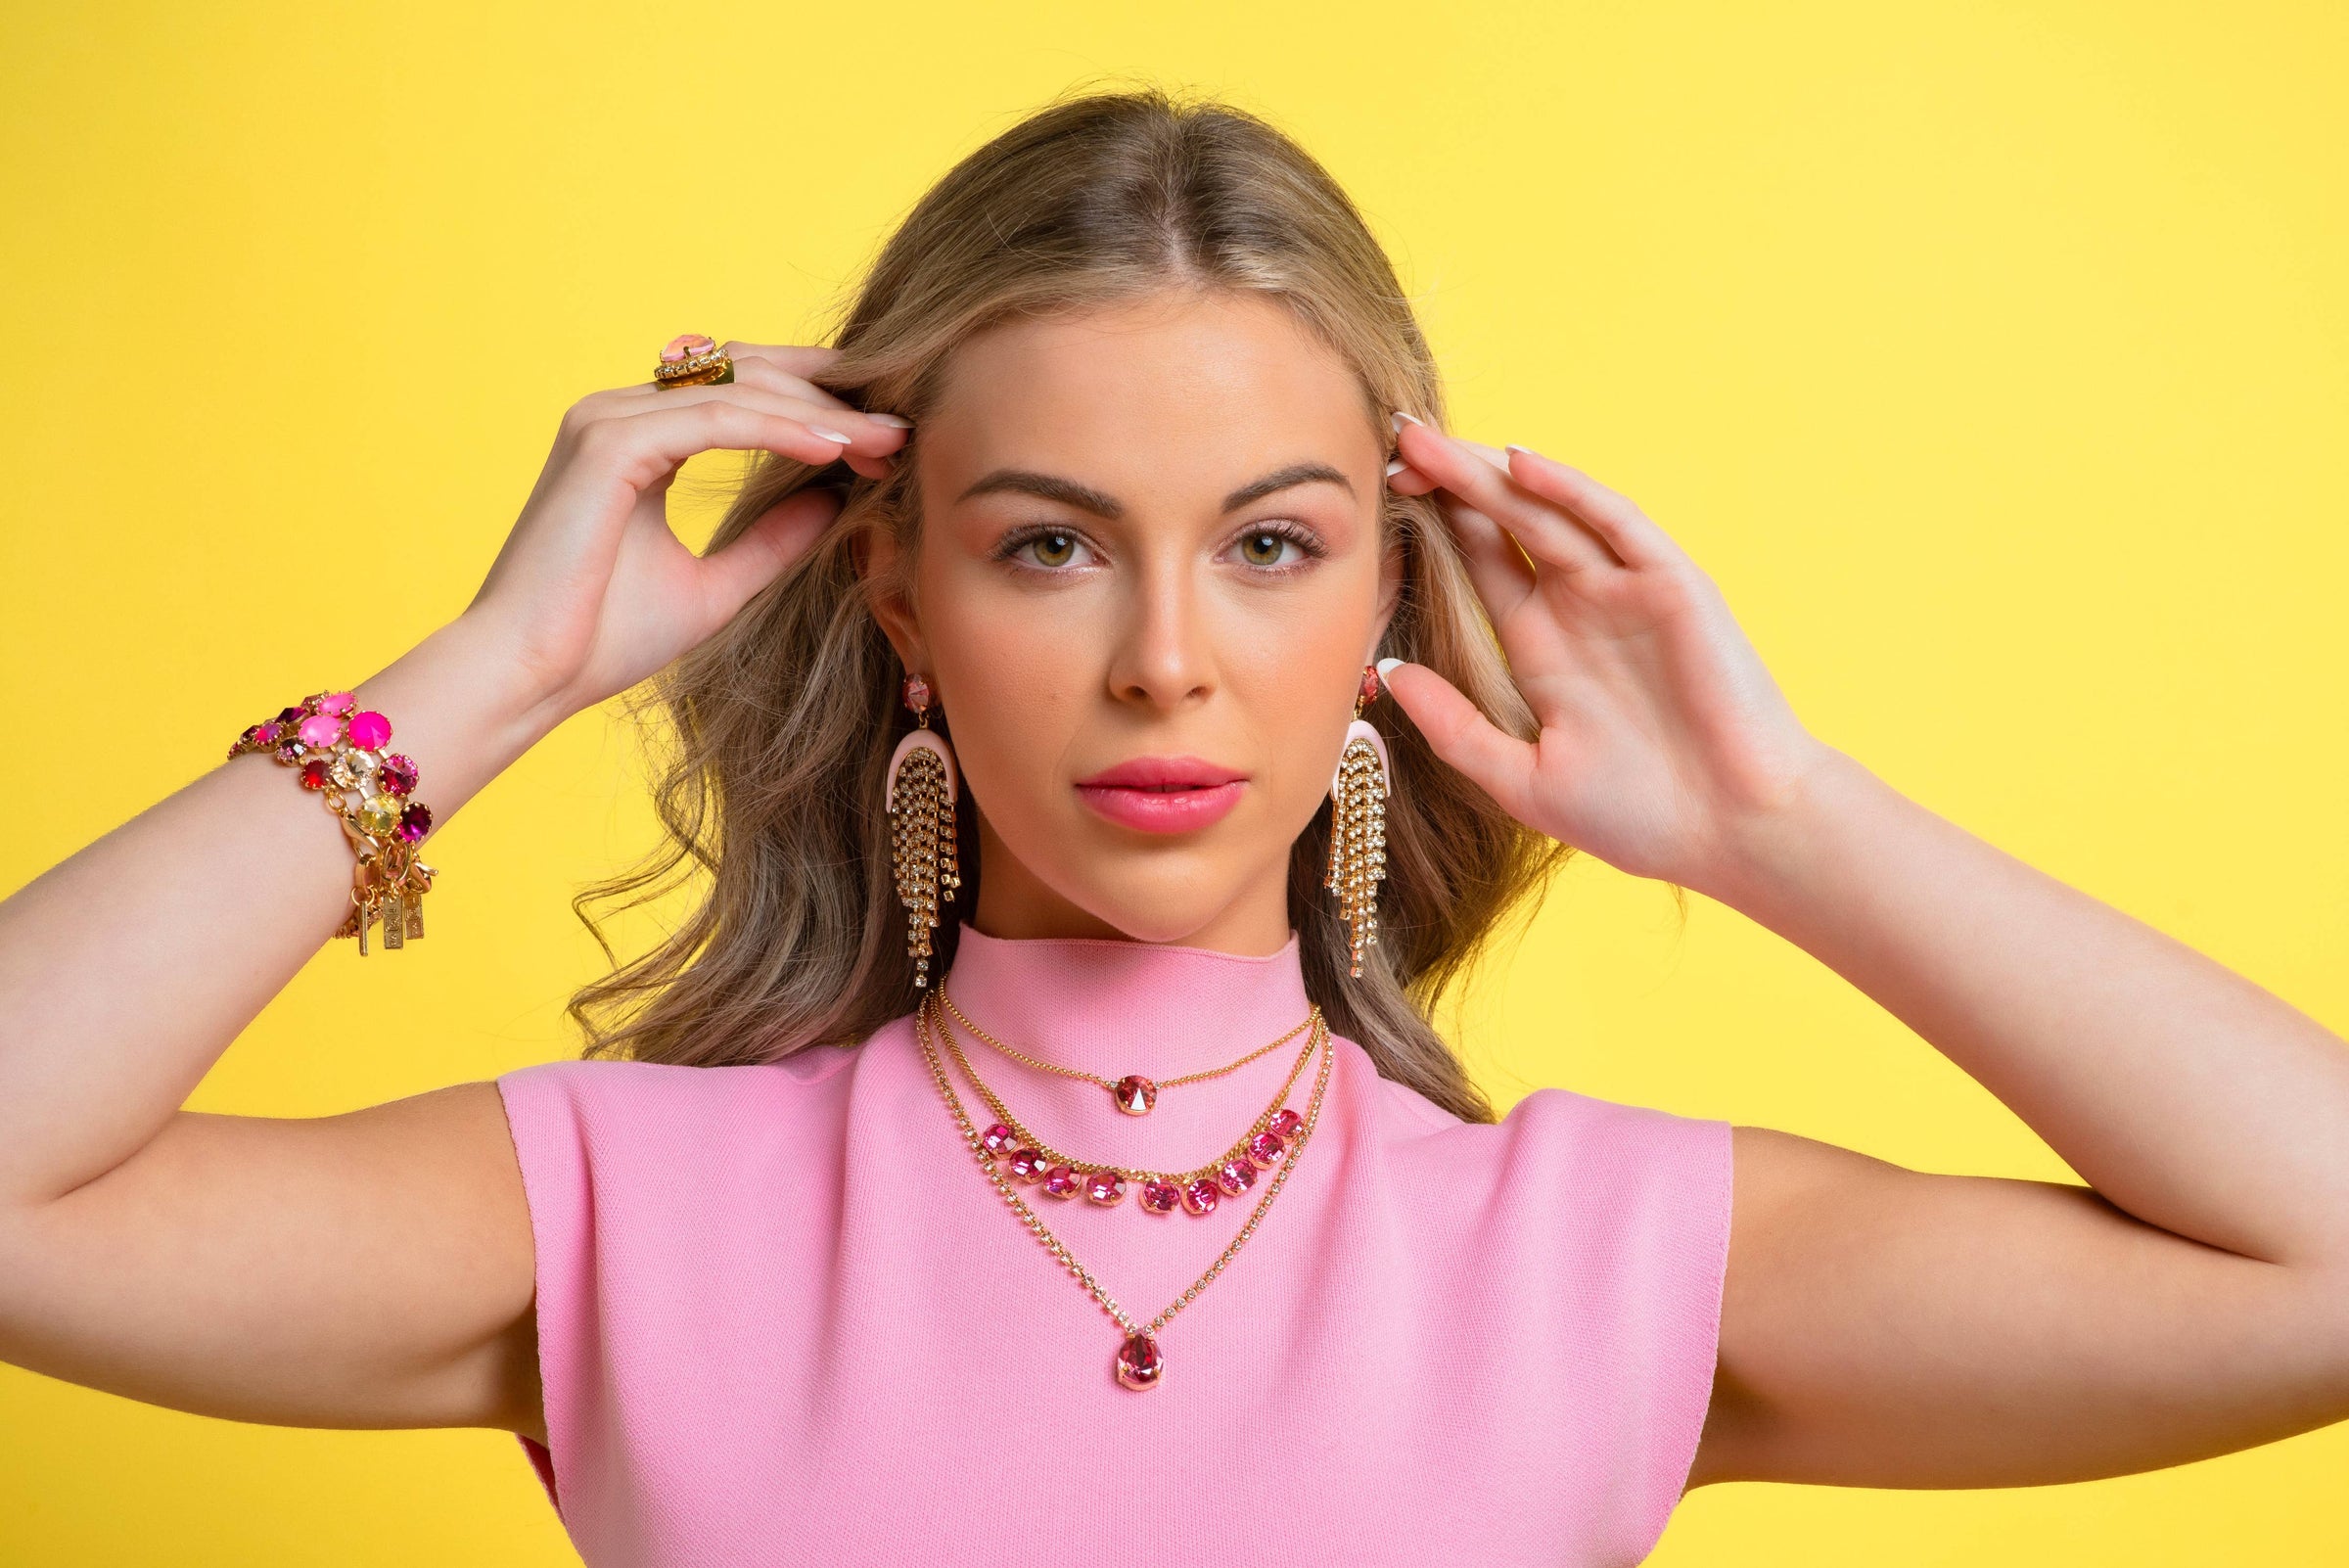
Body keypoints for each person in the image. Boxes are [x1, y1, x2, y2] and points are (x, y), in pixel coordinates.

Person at [2, 85, 2345, 1567]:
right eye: (1046, 542)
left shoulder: (1603, 1258)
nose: (1161, 657)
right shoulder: (632, 1210)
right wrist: (491, 674)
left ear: (1392, 588)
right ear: (893, 583)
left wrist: (1777, 817)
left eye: (1270, 542)